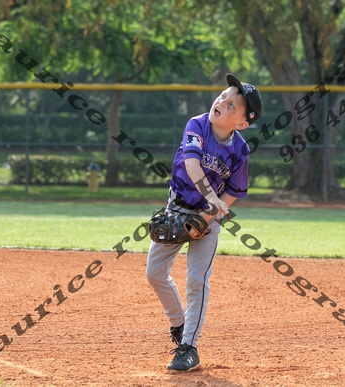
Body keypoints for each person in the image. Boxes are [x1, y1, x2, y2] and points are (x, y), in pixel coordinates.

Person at [145, 73, 262, 372]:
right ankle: (179, 323)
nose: (222, 102)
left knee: (197, 280)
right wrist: (211, 199)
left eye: (232, 104)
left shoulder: (240, 150)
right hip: (177, 208)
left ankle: (189, 347)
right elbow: (191, 163)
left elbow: (234, 192)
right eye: (223, 95)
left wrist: (207, 215)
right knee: (155, 273)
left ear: (242, 123)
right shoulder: (197, 125)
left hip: (208, 221)